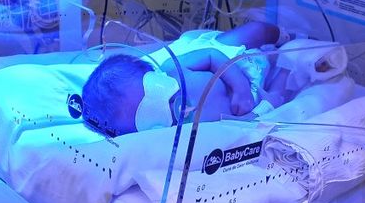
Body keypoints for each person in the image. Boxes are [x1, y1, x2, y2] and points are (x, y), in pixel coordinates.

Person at [81, 22, 347, 137]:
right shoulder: (185, 134)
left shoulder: (172, 68)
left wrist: (239, 86)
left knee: (254, 31)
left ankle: (282, 36)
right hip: (254, 99)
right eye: (163, 118)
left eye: (173, 98)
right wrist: (255, 106)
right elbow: (233, 129)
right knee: (279, 95)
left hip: (234, 64)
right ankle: (293, 58)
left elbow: (211, 56)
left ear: (154, 76)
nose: (182, 110)